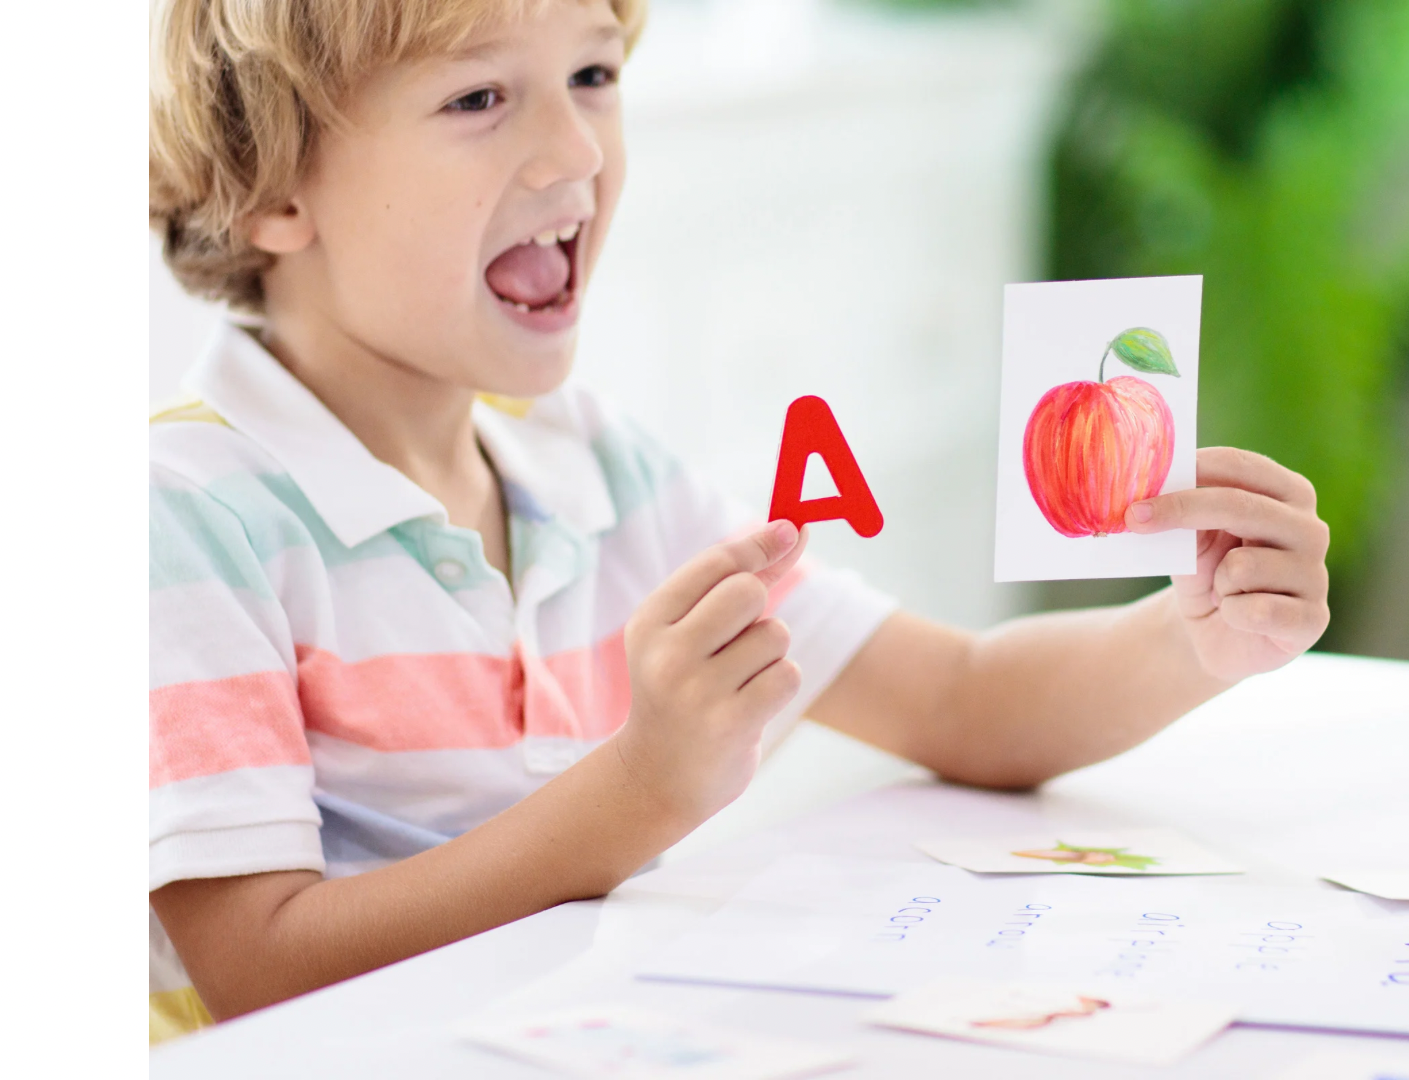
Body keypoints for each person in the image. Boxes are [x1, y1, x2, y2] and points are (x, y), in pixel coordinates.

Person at [146, 0, 1331, 1042]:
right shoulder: (185, 516)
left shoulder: (601, 473)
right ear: (273, 186)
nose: (574, 150)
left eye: (595, 77)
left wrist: (1196, 635)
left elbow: (968, 701)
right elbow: (260, 968)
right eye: (478, 96)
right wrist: (641, 792)